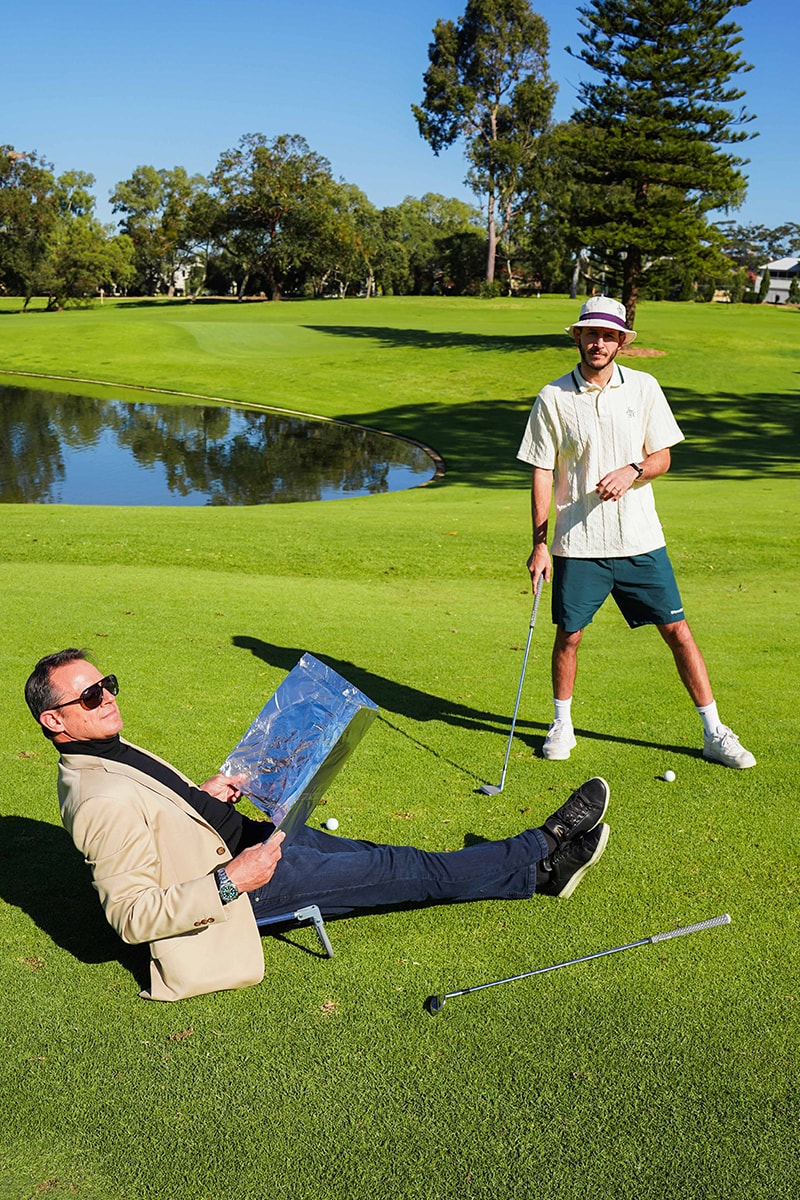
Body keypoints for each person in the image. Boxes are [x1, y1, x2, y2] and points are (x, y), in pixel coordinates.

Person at [25, 648, 611, 1002]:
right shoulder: (96, 797)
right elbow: (129, 917)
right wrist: (236, 879)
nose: (108, 698)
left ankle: (537, 877)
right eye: (91, 695)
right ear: (55, 720)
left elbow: (162, 813)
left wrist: (203, 795)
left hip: (254, 836)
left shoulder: (105, 749)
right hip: (249, 882)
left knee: (391, 862)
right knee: (400, 867)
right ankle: (542, 843)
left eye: (107, 685)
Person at [517, 295, 755, 769]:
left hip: (640, 539)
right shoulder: (553, 397)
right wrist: (540, 544)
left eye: (608, 335)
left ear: (622, 342)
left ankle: (713, 730)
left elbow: (663, 456)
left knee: (678, 631)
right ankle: (562, 724)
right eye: (591, 334)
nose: (598, 343)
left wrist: (632, 470)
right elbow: (542, 470)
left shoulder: (644, 388)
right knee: (569, 635)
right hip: (577, 545)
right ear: (578, 337)